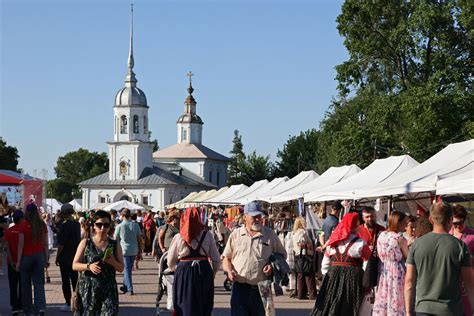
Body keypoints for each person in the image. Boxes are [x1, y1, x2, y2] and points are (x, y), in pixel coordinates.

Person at [405, 202, 473, 316]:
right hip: (451, 309)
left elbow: (409, 282)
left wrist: (408, 312)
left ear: (431, 219)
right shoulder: (459, 246)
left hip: (423, 308)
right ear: (450, 220)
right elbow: (469, 283)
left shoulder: (416, 244)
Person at [223, 201, 287, 316]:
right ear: (245, 217)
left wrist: (272, 266)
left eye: (259, 216)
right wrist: (229, 271)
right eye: (254, 217)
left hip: (263, 288)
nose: (258, 219)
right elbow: (226, 258)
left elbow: (282, 255)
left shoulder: (270, 234)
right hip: (239, 288)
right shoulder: (236, 235)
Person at [311, 213, 370, 316]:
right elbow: (368, 262)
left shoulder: (333, 242)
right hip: (353, 278)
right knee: (349, 306)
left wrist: (330, 275)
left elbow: (324, 264)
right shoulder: (360, 243)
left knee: (330, 304)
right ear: (355, 226)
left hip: (333, 276)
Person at [167, 207, 221, 316]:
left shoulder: (178, 237)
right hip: (203, 270)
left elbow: (170, 262)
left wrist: (176, 270)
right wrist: (212, 273)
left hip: (184, 272)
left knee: (184, 304)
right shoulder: (208, 235)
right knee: (203, 304)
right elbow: (216, 259)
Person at [73, 210, 124, 315]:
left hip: (108, 290)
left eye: (106, 225)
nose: (102, 228)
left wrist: (112, 261)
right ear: (94, 226)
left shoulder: (114, 244)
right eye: (99, 224)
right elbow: (74, 265)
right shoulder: (86, 243)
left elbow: (121, 268)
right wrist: (88, 266)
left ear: (110, 226)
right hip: (88, 290)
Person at [373, 211, 408, 316]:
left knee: (383, 294)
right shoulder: (400, 239)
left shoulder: (382, 235)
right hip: (396, 271)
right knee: (396, 295)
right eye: (404, 223)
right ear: (398, 223)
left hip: (383, 269)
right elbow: (408, 256)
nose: (406, 225)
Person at [16, 204, 49, 316]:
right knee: (39, 284)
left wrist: (18, 261)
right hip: (39, 256)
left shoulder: (23, 225)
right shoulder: (42, 225)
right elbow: (45, 244)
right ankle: (40, 308)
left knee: (26, 285)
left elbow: (20, 245)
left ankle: (28, 310)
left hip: (26, 257)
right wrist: (47, 258)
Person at [55, 203, 81, 312]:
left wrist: (57, 256)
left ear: (64, 214)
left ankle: (68, 302)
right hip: (75, 256)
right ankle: (78, 302)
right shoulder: (77, 224)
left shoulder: (64, 226)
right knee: (75, 280)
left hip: (65, 257)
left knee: (65, 281)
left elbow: (61, 244)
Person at [450, 204, 474, 316]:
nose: (458, 226)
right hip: (450, 279)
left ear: (465, 219)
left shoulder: (472, 235)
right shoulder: (447, 234)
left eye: (460, 222)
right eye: (455, 223)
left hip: (467, 279)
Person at [114, 208, 142, 295]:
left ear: (122, 216)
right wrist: (140, 250)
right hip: (134, 249)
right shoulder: (135, 225)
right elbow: (139, 239)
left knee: (127, 269)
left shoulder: (119, 226)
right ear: (130, 215)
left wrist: (115, 251)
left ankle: (130, 288)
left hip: (124, 250)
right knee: (128, 269)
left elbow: (115, 239)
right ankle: (125, 287)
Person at [4, 210, 24, 315]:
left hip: (11, 262)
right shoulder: (24, 231)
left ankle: (14, 307)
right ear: (21, 218)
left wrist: (12, 262)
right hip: (22, 262)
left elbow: (7, 248)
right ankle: (21, 304)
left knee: (13, 285)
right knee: (22, 284)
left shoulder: (8, 231)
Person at [292, 217, 316, 300]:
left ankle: (301, 294)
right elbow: (300, 243)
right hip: (305, 255)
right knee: (309, 275)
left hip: (298, 255)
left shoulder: (294, 233)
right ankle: (312, 295)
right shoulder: (302, 232)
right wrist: (310, 246)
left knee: (301, 275)